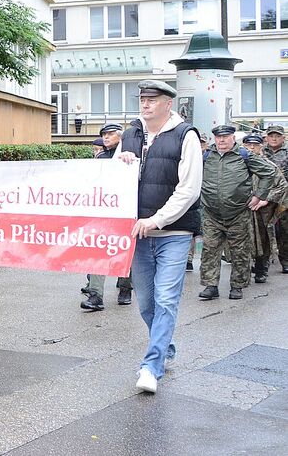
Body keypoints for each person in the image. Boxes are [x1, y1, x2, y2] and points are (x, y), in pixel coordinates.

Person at [119, 80, 202, 394]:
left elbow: (189, 188)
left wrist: (157, 220)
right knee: (146, 303)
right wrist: (121, 161)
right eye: (142, 99)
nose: (145, 104)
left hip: (174, 232)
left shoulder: (186, 135)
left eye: (152, 99)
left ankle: (151, 366)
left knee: (166, 299)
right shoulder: (131, 134)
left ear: (168, 103)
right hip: (138, 234)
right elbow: (113, 182)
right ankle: (164, 345)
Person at [199, 125, 276, 301]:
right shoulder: (206, 156)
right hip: (212, 213)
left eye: (226, 137)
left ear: (233, 138)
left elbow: (269, 173)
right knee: (210, 250)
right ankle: (210, 286)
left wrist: (259, 196)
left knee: (239, 251)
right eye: (219, 137)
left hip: (238, 212)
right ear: (214, 139)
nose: (222, 140)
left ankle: (237, 286)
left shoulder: (244, 156)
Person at [81, 123, 133, 311]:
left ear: (120, 136)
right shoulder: (100, 158)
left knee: (125, 251)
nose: (106, 137)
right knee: (97, 251)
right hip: (103, 212)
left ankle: (125, 288)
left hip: (125, 212)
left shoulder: (131, 157)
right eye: (104, 134)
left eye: (110, 134)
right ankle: (95, 294)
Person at [243, 133, 288, 283]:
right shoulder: (237, 164)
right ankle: (243, 271)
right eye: (248, 145)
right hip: (241, 208)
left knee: (262, 239)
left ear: (261, 146)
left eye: (254, 145)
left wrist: (265, 199)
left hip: (263, 210)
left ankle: (262, 268)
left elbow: (282, 186)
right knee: (241, 239)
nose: (251, 148)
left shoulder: (268, 165)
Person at [263, 125, 288, 274]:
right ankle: (263, 261)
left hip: (284, 195)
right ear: (266, 137)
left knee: (284, 229)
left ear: (283, 138)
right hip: (264, 195)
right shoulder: (260, 152)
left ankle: (285, 260)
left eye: (277, 136)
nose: (274, 138)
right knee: (263, 230)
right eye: (271, 135)